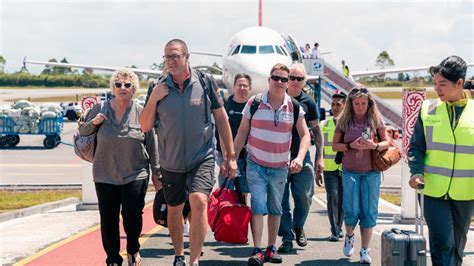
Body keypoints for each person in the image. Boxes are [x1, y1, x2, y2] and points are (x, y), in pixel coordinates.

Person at [139, 39, 237, 266]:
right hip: (171, 161)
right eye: (167, 57)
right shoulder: (158, 87)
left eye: (175, 56)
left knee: (199, 201)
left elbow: (221, 119)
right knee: (175, 209)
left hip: (201, 157)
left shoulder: (205, 82)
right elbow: (144, 126)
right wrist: (154, 99)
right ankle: (179, 255)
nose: (170, 61)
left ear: (186, 57)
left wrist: (230, 157)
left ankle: (194, 260)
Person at [79, 69, 159, 266]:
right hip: (105, 173)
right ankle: (113, 259)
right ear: (113, 88)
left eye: (127, 85)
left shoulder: (141, 112)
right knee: (108, 220)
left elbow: (152, 143)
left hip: (135, 173)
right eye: (118, 84)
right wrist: (94, 122)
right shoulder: (100, 108)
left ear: (134, 89)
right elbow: (83, 131)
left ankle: (132, 248)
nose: (122, 88)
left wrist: (157, 172)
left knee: (132, 217)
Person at [233, 63, 311, 266]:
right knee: (258, 205)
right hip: (256, 163)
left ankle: (270, 248)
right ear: (269, 80)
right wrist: (231, 158)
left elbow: (305, 135)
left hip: (279, 167)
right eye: (276, 78)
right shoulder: (254, 102)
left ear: (288, 83)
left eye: (284, 79)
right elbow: (242, 132)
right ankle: (257, 249)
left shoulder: (294, 106)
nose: (280, 82)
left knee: (276, 208)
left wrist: (300, 158)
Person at [408, 55, 473, 266]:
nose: (437, 89)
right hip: (432, 189)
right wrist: (415, 171)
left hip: (465, 192)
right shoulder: (428, 109)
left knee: (457, 244)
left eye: (442, 84)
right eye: (435, 84)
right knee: (443, 241)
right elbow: (416, 146)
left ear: (460, 83)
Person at [332, 87, 388, 264]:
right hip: (350, 171)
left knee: (369, 212)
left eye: (363, 103)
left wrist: (374, 146)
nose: (360, 107)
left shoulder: (375, 119)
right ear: (351, 104)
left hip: (372, 172)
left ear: (369, 103)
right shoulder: (344, 120)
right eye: (356, 104)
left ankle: (364, 250)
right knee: (351, 209)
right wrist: (351, 145)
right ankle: (349, 236)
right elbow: (335, 146)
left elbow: (386, 142)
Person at [277, 63, 322, 253]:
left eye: (299, 79)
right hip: (279, 158)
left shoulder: (308, 103)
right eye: (292, 78)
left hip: (302, 158)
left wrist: (320, 157)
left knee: (304, 197)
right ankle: (287, 237)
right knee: (281, 201)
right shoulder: (278, 98)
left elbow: (316, 131)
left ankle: (298, 226)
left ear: (305, 82)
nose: (295, 82)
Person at [316, 92, 347, 242]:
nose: (334, 108)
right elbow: (320, 148)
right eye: (333, 105)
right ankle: (335, 230)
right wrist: (318, 168)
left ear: (345, 106)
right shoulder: (324, 125)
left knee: (343, 199)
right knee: (332, 198)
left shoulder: (349, 125)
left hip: (345, 168)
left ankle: (339, 227)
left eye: (338, 105)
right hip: (329, 169)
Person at [215, 74, 252, 194]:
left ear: (250, 88)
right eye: (239, 85)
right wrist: (227, 158)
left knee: (243, 193)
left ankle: (242, 212)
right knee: (226, 191)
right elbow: (221, 131)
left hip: (246, 156)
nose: (242, 88)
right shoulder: (225, 104)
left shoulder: (253, 106)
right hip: (225, 154)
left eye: (245, 85)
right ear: (234, 86)